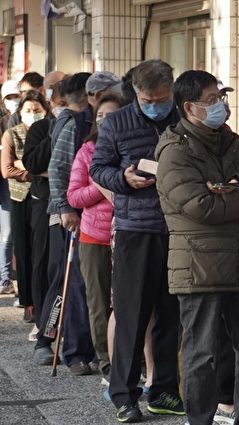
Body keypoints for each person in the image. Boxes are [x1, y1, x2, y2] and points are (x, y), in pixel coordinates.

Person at [155, 69, 239, 425]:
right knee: (201, 352)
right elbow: (203, 207)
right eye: (212, 100)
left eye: (221, 97)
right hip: (199, 265)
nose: (221, 105)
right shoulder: (174, 151)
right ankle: (199, 420)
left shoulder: (231, 141)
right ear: (190, 107)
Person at [90, 59, 183, 423]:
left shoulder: (183, 118)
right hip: (135, 229)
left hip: (178, 229)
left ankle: (164, 392)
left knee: (170, 316)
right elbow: (99, 168)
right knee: (131, 316)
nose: (156, 105)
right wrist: (124, 179)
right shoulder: (116, 122)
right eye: (148, 99)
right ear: (136, 94)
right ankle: (124, 396)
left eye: (162, 98)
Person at [32, 72, 96, 375]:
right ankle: (52, 341)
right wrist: (65, 207)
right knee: (67, 279)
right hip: (69, 212)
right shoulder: (73, 121)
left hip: (79, 208)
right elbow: (59, 168)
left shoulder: (84, 119)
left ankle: (71, 343)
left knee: (75, 280)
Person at [67, 92, 125, 384]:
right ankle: (106, 363)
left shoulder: (131, 148)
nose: (105, 120)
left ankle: (129, 360)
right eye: (100, 116)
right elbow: (74, 194)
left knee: (127, 303)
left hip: (128, 234)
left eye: (112, 115)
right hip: (94, 236)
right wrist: (100, 187)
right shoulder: (86, 151)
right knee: (99, 303)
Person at [22, 80, 68, 343]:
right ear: (51, 104)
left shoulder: (82, 126)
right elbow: (32, 164)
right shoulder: (42, 128)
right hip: (44, 200)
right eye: (59, 105)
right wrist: (54, 134)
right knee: (42, 259)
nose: (63, 110)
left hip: (72, 201)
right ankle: (42, 320)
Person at [1, 90, 51, 330]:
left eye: (37, 110)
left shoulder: (49, 131)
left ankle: (42, 300)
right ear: (20, 112)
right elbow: (7, 169)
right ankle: (28, 301)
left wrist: (27, 165)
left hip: (43, 197)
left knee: (41, 250)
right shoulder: (12, 134)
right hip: (20, 198)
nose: (33, 114)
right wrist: (33, 172)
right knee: (23, 249)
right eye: (28, 110)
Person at [0, 80, 20, 295]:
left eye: (16, 96)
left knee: (7, 233)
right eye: (9, 97)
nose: (13, 101)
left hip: (8, 180)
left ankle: (5, 278)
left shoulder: (15, 121)